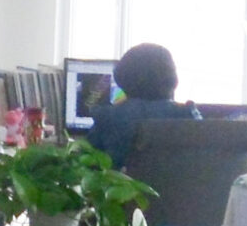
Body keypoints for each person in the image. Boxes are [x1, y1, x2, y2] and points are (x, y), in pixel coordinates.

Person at [83, 41, 200, 169]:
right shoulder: (187, 114)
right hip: (179, 182)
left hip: (122, 181)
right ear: (171, 78)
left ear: (123, 77)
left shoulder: (108, 117)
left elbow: (85, 161)